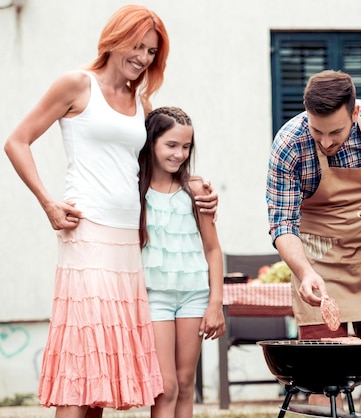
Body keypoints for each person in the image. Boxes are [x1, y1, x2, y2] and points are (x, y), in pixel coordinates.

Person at [3, 5, 217, 418]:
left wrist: (197, 188)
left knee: (102, 369)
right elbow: (16, 141)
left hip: (127, 243)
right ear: (115, 39)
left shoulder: (142, 100)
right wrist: (48, 202)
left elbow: (163, 158)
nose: (143, 57)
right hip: (87, 237)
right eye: (137, 46)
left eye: (152, 52)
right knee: (83, 361)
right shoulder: (76, 84)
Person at [266, 69, 361, 418]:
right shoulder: (289, 143)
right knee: (321, 375)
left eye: (335, 131)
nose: (324, 141)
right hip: (316, 262)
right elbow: (282, 224)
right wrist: (304, 273)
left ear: (355, 113)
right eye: (316, 130)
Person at [138, 107, 225, 418]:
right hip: (155, 297)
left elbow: (213, 249)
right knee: (166, 385)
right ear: (150, 142)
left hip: (193, 296)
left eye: (186, 146)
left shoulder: (196, 189)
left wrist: (216, 302)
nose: (179, 154)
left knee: (187, 383)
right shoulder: (136, 191)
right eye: (171, 145)